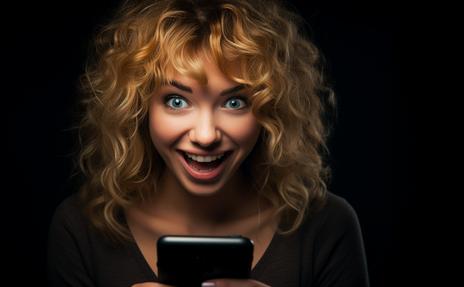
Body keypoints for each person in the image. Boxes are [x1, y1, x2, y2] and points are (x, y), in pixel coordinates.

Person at [47, 0, 370, 286]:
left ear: (271, 110)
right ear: (138, 108)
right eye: (176, 101)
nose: (205, 136)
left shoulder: (326, 224)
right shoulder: (81, 227)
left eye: (234, 103)